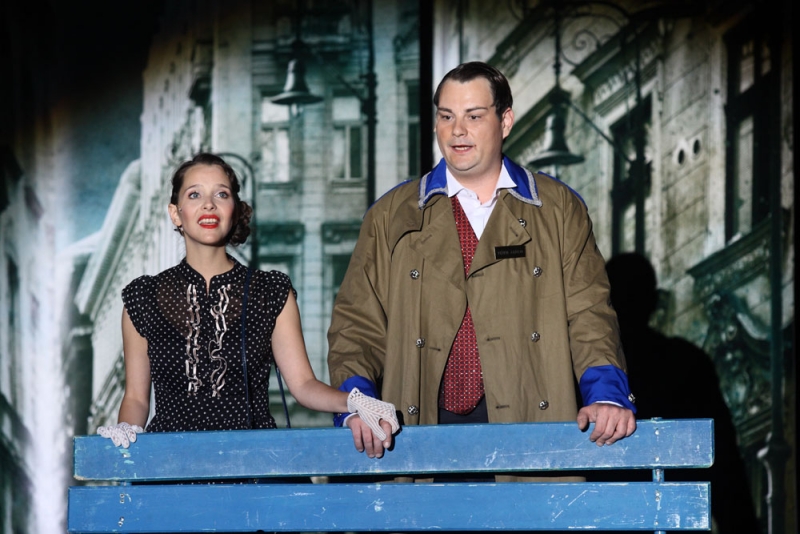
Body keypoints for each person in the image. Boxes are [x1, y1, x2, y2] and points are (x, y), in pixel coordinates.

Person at [327, 61, 637, 466]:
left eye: (473, 116)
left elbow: (589, 313)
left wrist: (607, 395)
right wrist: (356, 404)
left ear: (505, 121)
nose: (458, 130)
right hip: (414, 433)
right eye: (446, 117)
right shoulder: (390, 215)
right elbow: (357, 325)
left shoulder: (558, 209)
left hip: (527, 425)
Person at [97, 153, 398, 458]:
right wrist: (126, 429)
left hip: (253, 462)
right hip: (171, 464)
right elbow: (136, 398)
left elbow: (304, 385)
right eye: (194, 194)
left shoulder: (271, 291)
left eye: (221, 194)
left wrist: (353, 402)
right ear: (176, 213)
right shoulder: (144, 297)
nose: (209, 204)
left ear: (235, 210)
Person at [605, 252, 760, 533]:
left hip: (603, 518)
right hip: (673, 519)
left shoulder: (585, 374)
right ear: (654, 302)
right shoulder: (686, 364)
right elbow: (724, 465)